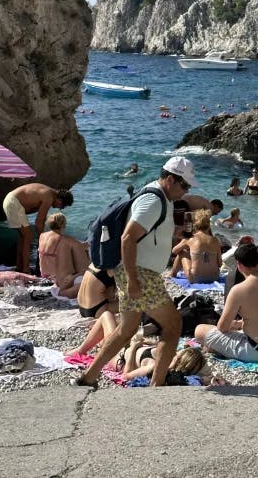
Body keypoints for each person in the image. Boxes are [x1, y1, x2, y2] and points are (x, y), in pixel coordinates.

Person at [72, 156, 197, 388]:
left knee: (127, 329)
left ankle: (88, 377)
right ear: (170, 179)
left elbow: (143, 235)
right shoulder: (153, 201)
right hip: (140, 273)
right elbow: (128, 238)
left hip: (136, 271)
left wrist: (172, 234)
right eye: (184, 185)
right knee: (173, 325)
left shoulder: (162, 197)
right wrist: (131, 279)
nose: (186, 191)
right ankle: (156, 385)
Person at [195, 241, 258, 361]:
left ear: (239, 265)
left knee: (200, 330)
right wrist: (241, 324)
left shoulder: (239, 290)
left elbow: (222, 327)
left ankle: (217, 349)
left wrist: (234, 325)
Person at [2, 183, 74, 274]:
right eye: (62, 206)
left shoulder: (50, 193)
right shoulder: (49, 197)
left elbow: (41, 219)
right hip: (13, 202)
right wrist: (43, 240)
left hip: (10, 200)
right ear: (59, 200)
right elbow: (39, 222)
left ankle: (20, 266)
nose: (61, 209)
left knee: (23, 237)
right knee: (28, 236)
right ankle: (26, 269)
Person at [38, 212, 90, 297]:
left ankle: (52, 292)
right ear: (63, 225)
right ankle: (59, 293)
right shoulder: (66, 240)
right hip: (64, 280)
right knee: (87, 283)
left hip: (46, 276)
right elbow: (81, 249)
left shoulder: (42, 236)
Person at [170, 209, 222, 283]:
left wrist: (185, 243)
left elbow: (174, 251)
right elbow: (220, 263)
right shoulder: (215, 240)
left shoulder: (190, 238)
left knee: (182, 252)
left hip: (196, 279)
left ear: (195, 224)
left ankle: (172, 274)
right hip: (215, 278)